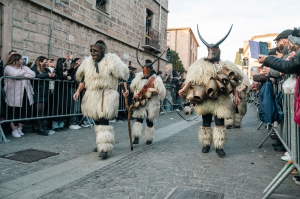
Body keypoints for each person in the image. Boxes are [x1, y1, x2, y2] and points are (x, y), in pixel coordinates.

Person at [178, 24, 246, 156]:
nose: (211, 52)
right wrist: (184, 89)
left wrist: (236, 95)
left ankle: (219, 146)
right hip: (206, 99)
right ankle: (206, 144)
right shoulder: (200, 65)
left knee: (220, 122)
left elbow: (233, 83)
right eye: (209, 50)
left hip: (221, 100)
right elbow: (192, 78)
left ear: (218, 50)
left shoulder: (225, 65)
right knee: (206, 122)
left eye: (213, 50)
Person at [73, 41, 129, 159]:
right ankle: (102, 142)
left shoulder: (111, 61)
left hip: (106, 93)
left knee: (103, 119)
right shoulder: (88, 63)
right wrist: (78, 91)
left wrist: (125, 90)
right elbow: (83, 80)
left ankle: (105, 148)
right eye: (91, 51)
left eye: (95, 51)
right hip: (92, 94)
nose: (93, 54)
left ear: (102, 51)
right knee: (97, 120)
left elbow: (121, 76)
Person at [130, 48, 165, 145]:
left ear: (150, 70)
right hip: (141, 100)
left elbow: (162, 92)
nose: (145, 72)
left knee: (149, 120)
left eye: (147, 70)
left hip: (152, 102)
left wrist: (155, 90)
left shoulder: (156, 79)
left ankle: (149, 138)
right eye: (144, 70)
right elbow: (134, 86)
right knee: (139, 119)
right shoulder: (138, 76)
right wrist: (135, 92)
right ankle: (136, 137)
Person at [3, 54, 35, 137]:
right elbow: (14, 74)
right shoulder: (8, 67)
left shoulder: (24, 67)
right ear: (15, 60)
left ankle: (19, 128)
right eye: (20, 59)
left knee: (26, 111)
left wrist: (22, 73)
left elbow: (32, 74)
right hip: (14, 93)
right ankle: (14, 130)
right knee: (14, 111)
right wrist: (25, 73)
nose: (22, 61)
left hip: (26, 92)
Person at [31, 56, 56, 136]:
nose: (46, 64)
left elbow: (53, 77)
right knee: (39, 110)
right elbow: (35, 76)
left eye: (46, 62)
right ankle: (39, 127)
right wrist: (47, 75)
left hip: (45, 92)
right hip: (37, 91)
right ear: (40, 62)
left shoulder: (47, 69)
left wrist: (53, 75)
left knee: (41, 110)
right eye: (44, 62)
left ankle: (37, 126)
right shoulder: (34, 68)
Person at [68, 58, 82, 130]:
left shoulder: (77, 69)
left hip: (77, 89)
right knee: (74, 106)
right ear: (76, 62)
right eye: (79, 61)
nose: (81, 62)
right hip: (74, 89)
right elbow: (76, 79)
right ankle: (72, 122)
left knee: (76, 106)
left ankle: (75, 121)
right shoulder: (75, 69)